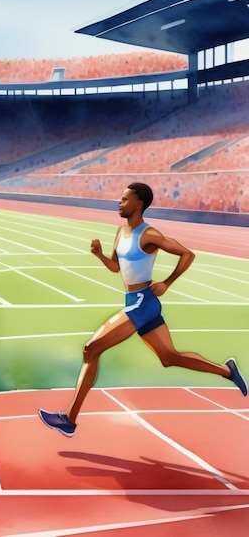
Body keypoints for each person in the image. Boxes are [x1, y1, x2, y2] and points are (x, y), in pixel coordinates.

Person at [39, 182, 247, 437]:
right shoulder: (120, 232)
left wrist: (167, 283)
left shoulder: (149, 235)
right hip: (133, 301)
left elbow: (187, 254)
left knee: (90, 348)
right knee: (169, 357)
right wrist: (100, 255)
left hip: (143, 302)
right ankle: (227, 370)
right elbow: (116, 267)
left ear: (139, 204)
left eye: (125, 199)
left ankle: (69, 419)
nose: (120, 202)